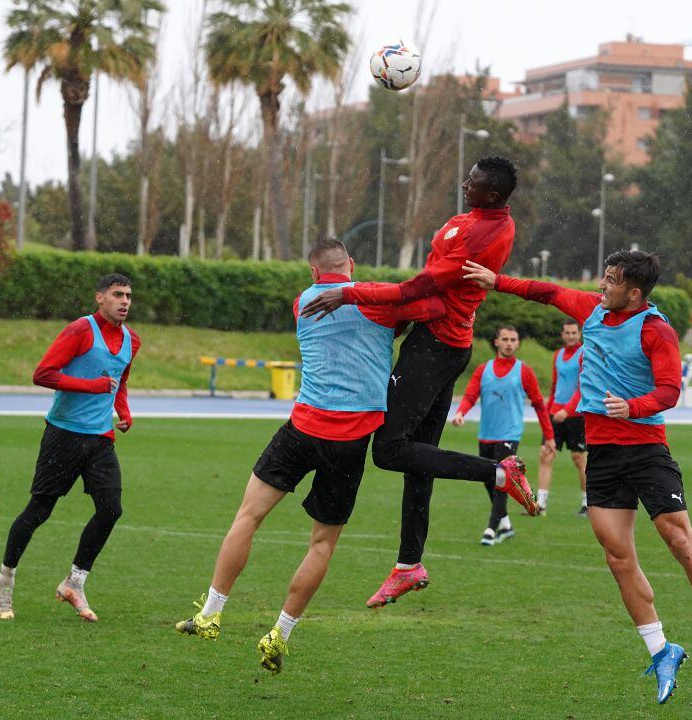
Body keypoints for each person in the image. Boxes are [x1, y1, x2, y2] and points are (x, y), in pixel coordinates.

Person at [463, 250, 692, 705]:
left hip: (647, 450)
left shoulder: (656, 330)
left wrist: (632, 407)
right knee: (617, 557)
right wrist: (495, 280)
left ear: (634, 292)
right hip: (605, 454)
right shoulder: (592, 311)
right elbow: (547, 292)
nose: (602, 286)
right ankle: (662, 650)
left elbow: (671, 390)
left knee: (678, 540)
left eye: (611, 280)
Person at [174, 239, 445, 674]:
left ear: (314, 273)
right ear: (351, 266)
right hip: (351, 440)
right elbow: (431, 307)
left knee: (247, 517)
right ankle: (280, 632)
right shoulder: (377, 303)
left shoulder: (303, 302)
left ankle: (211, 612)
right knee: (321, 542)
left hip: (301, 429)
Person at [300, 156, 535, 609]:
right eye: (468, 176)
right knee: (418, 458)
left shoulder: (483, 237)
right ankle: (409, 564)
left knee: (389, 450)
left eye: (474, 183)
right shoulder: (475, 219)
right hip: (443, 344)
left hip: (434, 348)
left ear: (492, 195)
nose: (465, 184)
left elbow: (416, 289)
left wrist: (348, 291)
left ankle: (499, 473)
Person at [0, 273, 140, 622]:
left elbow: (119, 383)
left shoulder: (132, 340)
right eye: (117, 294)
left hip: (101, 438)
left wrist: (125, 411)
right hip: (63, 434)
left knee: (111, 509)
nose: (125, 301)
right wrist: (91, 386)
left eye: (129, 296)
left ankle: (74, 581)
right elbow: (43, 374)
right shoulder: (80, 330)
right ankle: (4, 580)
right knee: (39, 511)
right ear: (99, 298)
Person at [451, 326, 555, 545]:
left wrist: (549, 436)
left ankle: (491, 529)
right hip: (486, 434)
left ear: (517, 343)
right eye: (505, 339)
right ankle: (506, 524)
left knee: (502, 479)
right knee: (489, 479)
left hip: (510, 434)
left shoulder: (524, 371)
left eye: (513, 339)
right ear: (496, 341)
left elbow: (538, 404)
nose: (509, 343)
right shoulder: (483, 370)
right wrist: (461, 412)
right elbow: (470, 395)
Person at [537, 320, 588, 517]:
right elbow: (554, 384)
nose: (571, 336)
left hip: (576, 415)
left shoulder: (584, 354)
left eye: (574, 332)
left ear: (579, 334)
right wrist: (547, 413)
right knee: (546, 454)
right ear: (562, 334)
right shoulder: (557, 355)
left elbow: (583, 386)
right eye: (567, 333)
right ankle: (540, 504)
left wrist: (567, 410)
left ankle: (587, 502)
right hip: (555, 414)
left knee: (578, 458)